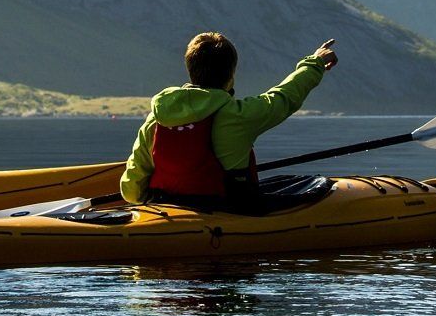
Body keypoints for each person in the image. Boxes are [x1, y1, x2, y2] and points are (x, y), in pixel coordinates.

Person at [120, 33, 337, 209]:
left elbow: (131, 190)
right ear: (231, 74)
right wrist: (315, 62)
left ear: (190, 70)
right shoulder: (237, 115)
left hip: (163, 208)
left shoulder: (156, 119)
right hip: (226, 210)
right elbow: (284, 97)